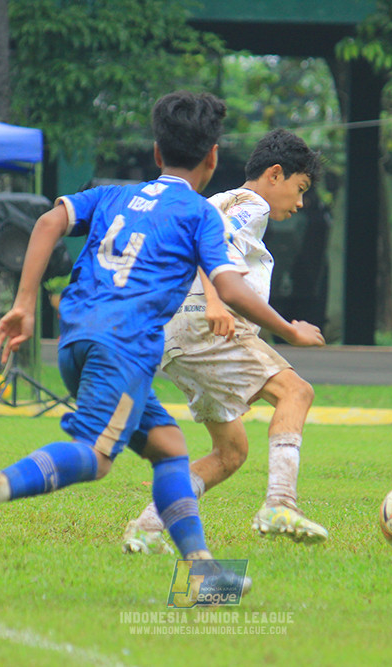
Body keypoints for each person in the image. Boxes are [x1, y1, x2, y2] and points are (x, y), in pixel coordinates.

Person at [0, 92, 325, 586]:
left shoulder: (112, 194)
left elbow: (47, 222)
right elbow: (229, 284)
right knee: (97, 457)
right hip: (121, 346)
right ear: (213, 157)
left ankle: (202, 570)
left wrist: (22, 304)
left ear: (155, 152)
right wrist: (289, 328)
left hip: (78, 340)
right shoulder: (200, 213)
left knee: (169, 448)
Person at [122, 129, 328, 555]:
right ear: (275, 174)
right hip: (206, 324)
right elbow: (210, 251)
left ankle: (147, 526)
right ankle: (279, 504)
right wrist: (286, 329)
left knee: (230, 452)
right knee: (296, 391)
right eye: (300, 188)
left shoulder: (222, 199)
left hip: (175, 336)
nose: (301, 202)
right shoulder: (250, 205)